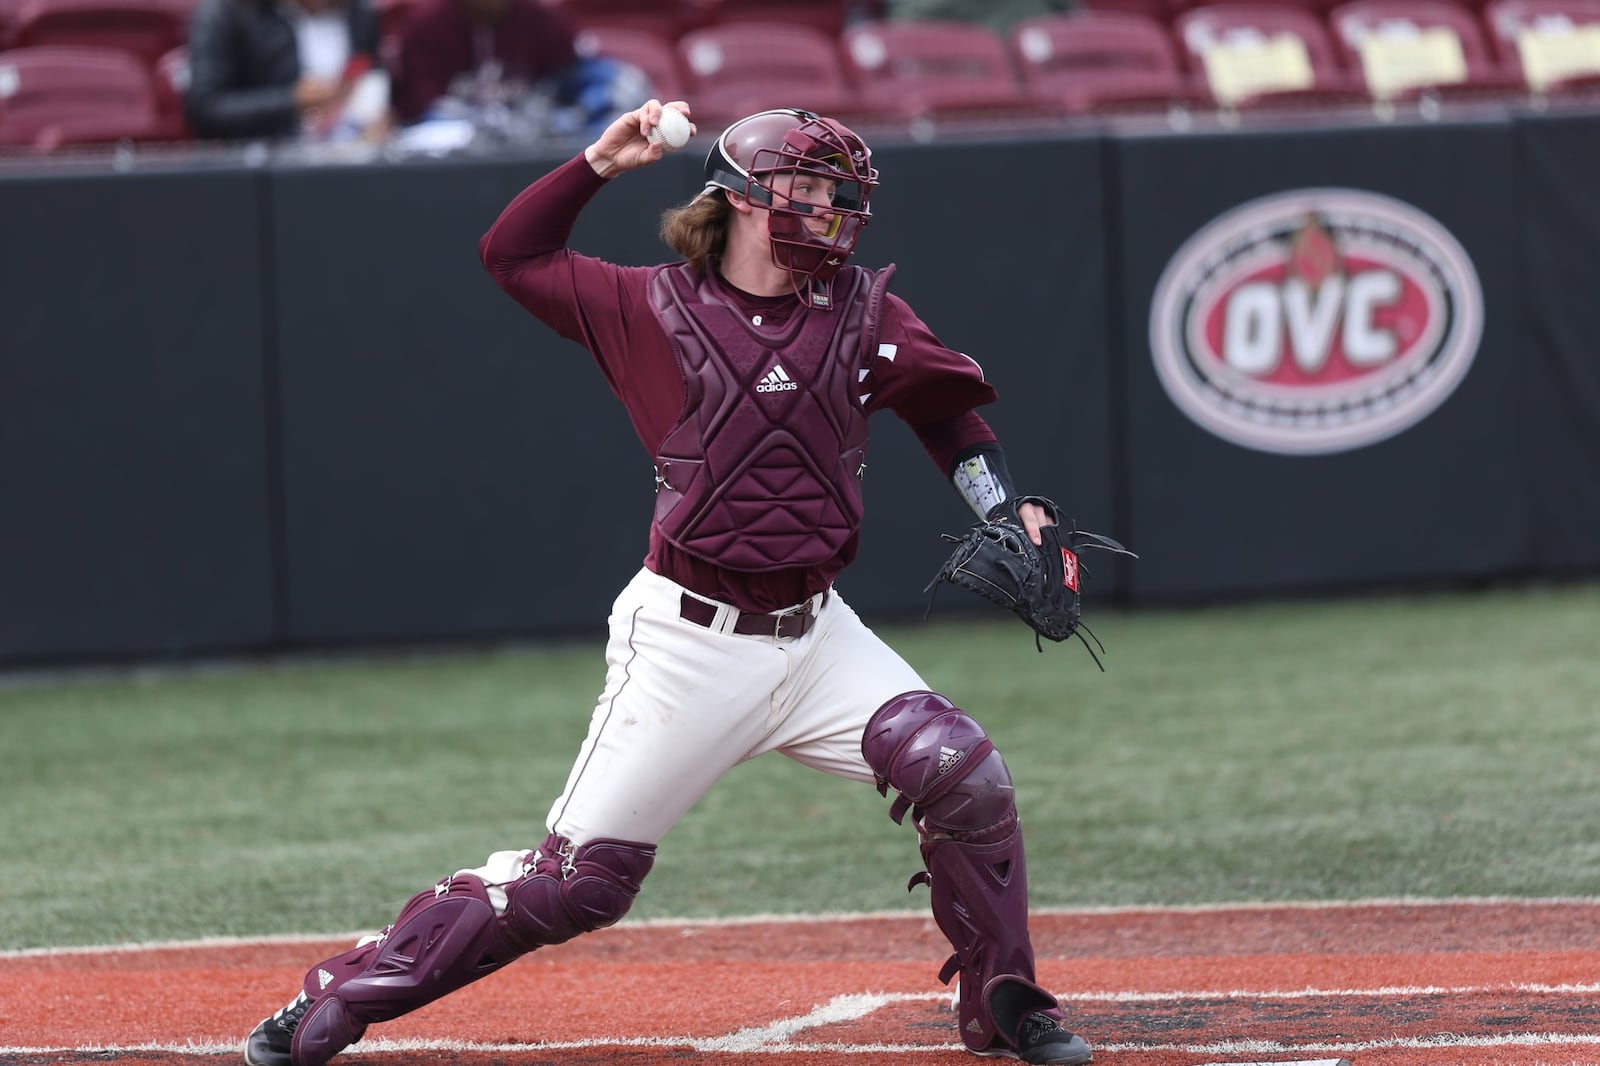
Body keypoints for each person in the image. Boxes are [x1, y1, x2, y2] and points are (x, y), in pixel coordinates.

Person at [241, 100, 1094, 1066]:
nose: (829, 212)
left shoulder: (862, 308)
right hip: (689, 641)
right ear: (736, 199)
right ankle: (339, 994)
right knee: (578, 885)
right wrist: (601, 163)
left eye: (838, 194)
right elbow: (511, 254)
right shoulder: (647, 305)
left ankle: (1003, 1003)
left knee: (965, 776)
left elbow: (949, 411)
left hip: (818, 639)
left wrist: (1000, 505)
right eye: (805, 191)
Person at [184, 0, 386, 141]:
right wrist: (291, 100)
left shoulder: (358, 11)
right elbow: (207, 108)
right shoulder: (226, 11)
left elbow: (372, 74)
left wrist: (379, 117)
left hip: (354, 155)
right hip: (270, 169)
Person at [389, 0, 576, 126]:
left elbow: (565, 90)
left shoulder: (544, 20)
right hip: (450, 153)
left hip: (531, 140)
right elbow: (420, 105)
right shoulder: (426, 24)